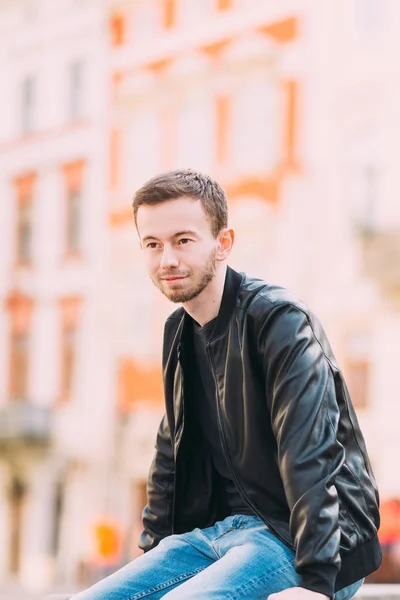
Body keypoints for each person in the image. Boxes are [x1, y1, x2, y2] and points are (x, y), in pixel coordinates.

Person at [72, 169, 381, 600]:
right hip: (217, 537)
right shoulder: (178, 331)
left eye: (183, 240)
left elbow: (310, 452)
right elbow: (170, 453)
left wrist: (316, 584)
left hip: (303, 544)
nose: (168, 260)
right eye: (152, 245)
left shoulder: (278, 320)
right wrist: (153, 554)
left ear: (224, 244)